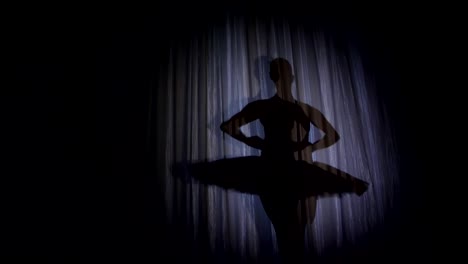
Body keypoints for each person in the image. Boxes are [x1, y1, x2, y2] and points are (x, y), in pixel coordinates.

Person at [182, 57, 369, 263]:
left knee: (290, 235)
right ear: (291, 78)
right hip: (282, 174)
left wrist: (255, 142)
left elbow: (227, 127)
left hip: (282, 173)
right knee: (291, 235)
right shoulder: (293, 109)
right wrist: (304, 147)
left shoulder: (275, 107)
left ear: (272, 77)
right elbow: (227, 126)